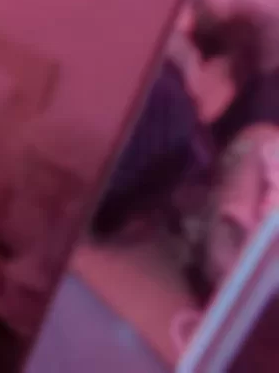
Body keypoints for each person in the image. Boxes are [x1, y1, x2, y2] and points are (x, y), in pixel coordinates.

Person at [91, 14, 262, 238]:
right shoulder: (185, 126)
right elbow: (111, 217)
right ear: (216, 66)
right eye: (229, 87)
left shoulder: (158, 67)